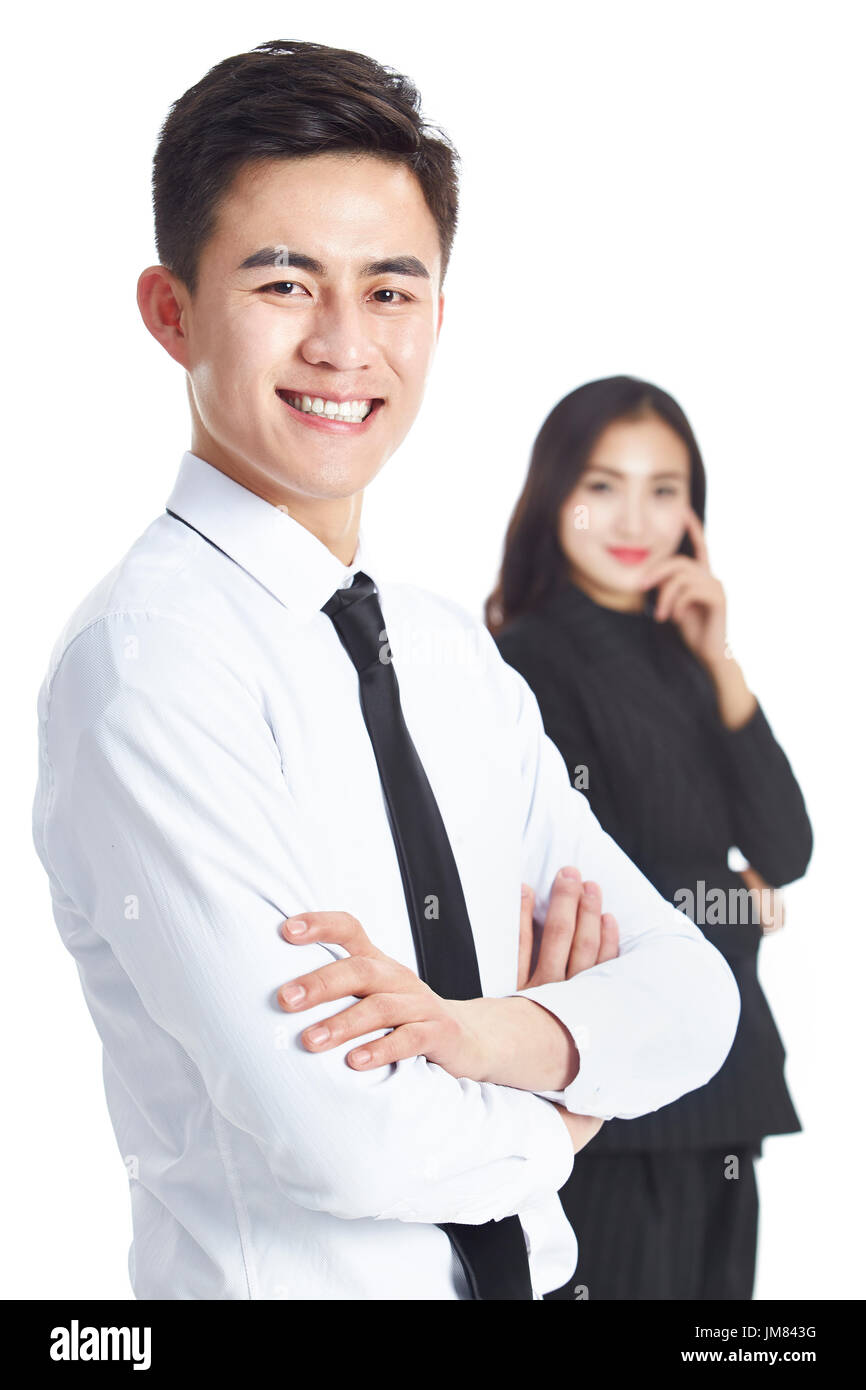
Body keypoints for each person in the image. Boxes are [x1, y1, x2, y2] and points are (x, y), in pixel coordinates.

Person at [31, 46, 739, 1301]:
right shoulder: (148, 667)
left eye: (391, 291)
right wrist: (565, 1107)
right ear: (171, 309)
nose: (343, 344)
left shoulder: (451, 654)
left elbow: (692, 996)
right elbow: (341, 1138)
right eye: (284, 281)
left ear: (438, 317)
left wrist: (469, 1035)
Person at [487, 375, 812, 1300]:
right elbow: (591, 884)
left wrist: (721, 663)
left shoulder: (684, 652)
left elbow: (787, 848)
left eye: (664, 489)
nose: (636, 516)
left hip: (729, 1085)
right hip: (624, 1091)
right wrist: (733, 901)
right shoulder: (532, 658)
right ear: (554, 496)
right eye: (603, 485)